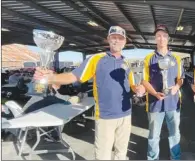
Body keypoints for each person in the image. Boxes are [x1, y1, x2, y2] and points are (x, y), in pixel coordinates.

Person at [34, 26, 144, 160]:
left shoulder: (126, 63)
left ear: (125, 41)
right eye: (113, 37)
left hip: (126, 115)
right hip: (105, 116)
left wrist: (139, 89)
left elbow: (132, 85)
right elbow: (73, 76)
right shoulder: (96, 59)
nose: (117, 41)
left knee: (121, 153)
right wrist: (50, 78)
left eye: (120, 38)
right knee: (103, 156)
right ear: (108, 39)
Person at [142, 24, 184, 160]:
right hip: (155, 103)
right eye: (158, 36)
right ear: (155, 39)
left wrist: (176, 88)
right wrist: (154, 93)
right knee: (154, 135)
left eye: (164, 36)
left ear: (168, 39)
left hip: (173, 103)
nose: (161, 39)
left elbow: (180, 79)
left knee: (175, 134)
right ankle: (153, 158)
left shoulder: (176, 58)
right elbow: (144, 81)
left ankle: (175, 157)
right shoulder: (149, 58)